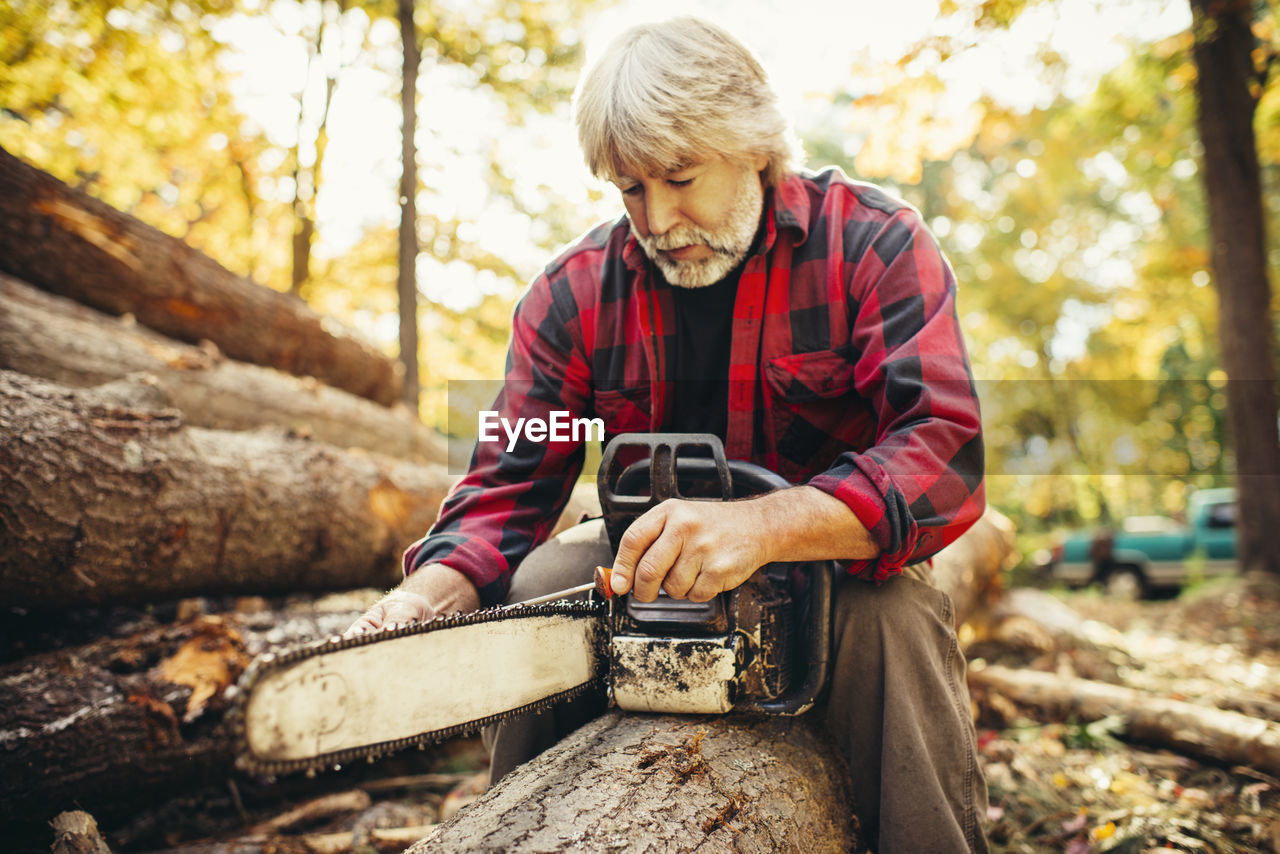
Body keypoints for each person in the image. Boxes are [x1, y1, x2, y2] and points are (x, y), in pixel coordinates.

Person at [349, 17, 988, 852]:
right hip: (642, 567)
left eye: (681, 179)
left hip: (831, 572)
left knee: (895, 620)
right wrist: (429, 594)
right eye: (630, 189)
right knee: (541, 581)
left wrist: (765, 526)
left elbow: (941, 450)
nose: (657, 216)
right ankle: (516, 826)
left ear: (754, 146)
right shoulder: (570, 296)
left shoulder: (871, 243)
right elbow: (509, 478)